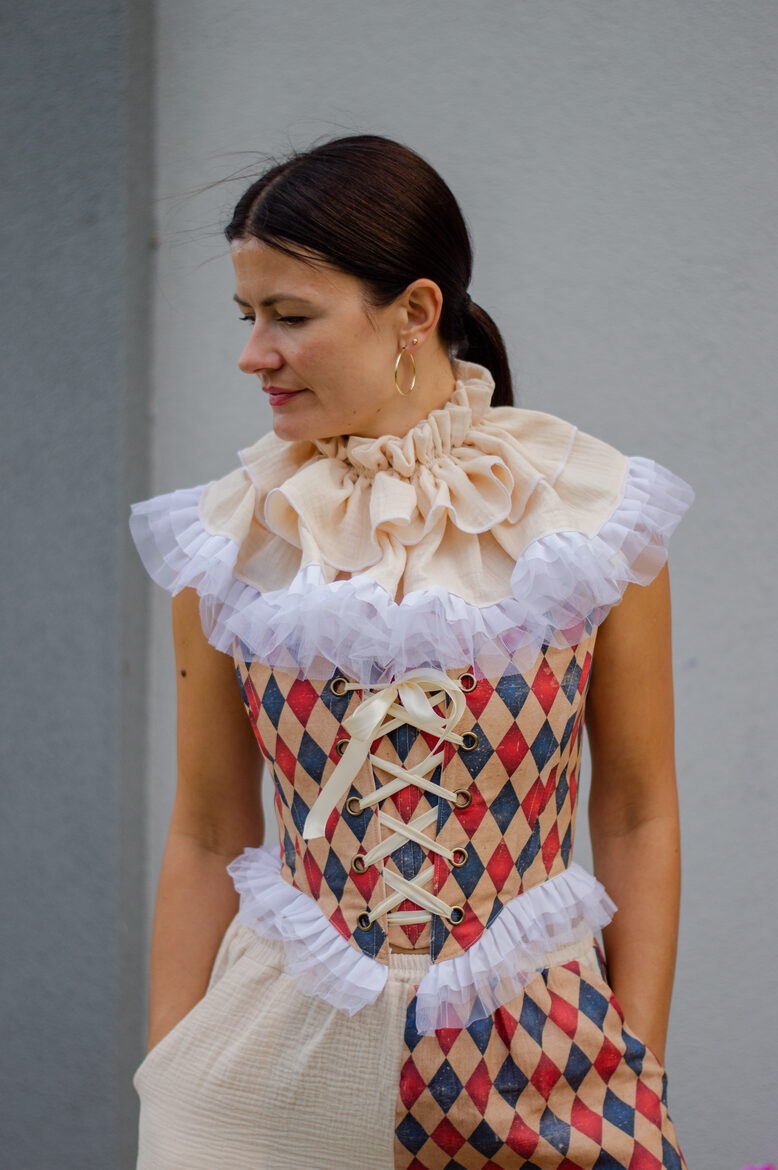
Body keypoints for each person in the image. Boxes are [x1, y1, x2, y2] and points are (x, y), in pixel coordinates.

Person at [129, 134, 693, 1170]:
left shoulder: (589, 520)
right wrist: (169, 1065)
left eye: (290, 316)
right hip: (268, 1077)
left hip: (541, 1062)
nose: (255, 354)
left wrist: (638, 1058)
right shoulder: (233, 541)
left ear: (416, 312)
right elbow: (208, 830)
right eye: (249, 317)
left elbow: (635, 809)